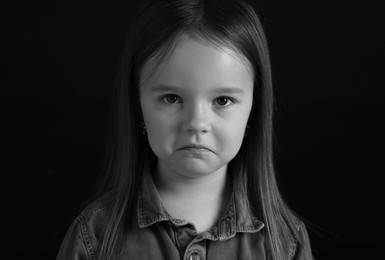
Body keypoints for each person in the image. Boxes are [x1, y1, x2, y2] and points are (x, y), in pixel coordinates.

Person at [56, 0, 314, 259]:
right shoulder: (94, 237)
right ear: (137, 105)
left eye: (222, 101)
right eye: (172, 98)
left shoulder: (286, 242)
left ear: (253, 109)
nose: (196, 123)